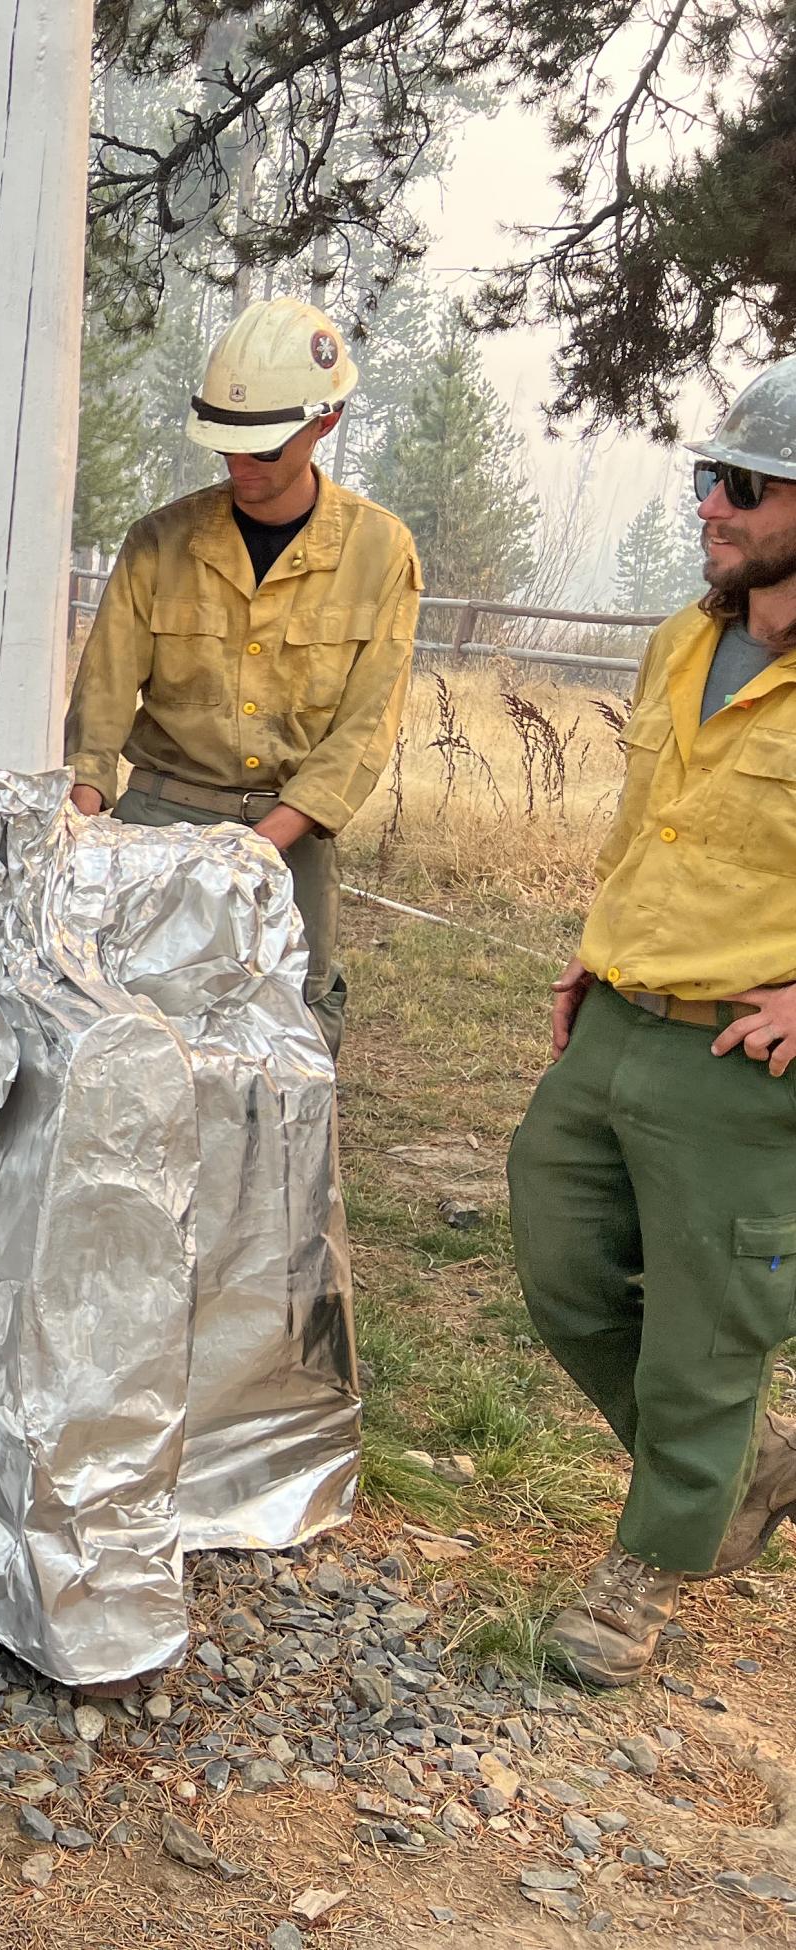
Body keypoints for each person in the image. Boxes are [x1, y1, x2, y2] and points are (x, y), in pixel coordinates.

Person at [509, 356, 796, 1687]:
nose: (711, 505)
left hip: (744, 1051)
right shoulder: (687, 637)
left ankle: (647, 1569)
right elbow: (645, 830)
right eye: (707, 477)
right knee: (558, 1252)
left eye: (741, 484)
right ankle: (733, 1468)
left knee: (706, 1322)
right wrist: (593, 947)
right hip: (622, 1008)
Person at [62, 297, 421, 1057]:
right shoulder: (160, 543)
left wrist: (267, 845)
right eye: (228, 449)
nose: (240, 469)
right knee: (135, 1031)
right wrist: (86, 823)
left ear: (325, 423)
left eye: (264, 450)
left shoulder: (379, 553)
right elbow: (101, 699)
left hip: (290, 835)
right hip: (159, 822)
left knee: (289, 1034)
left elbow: (364, 729)